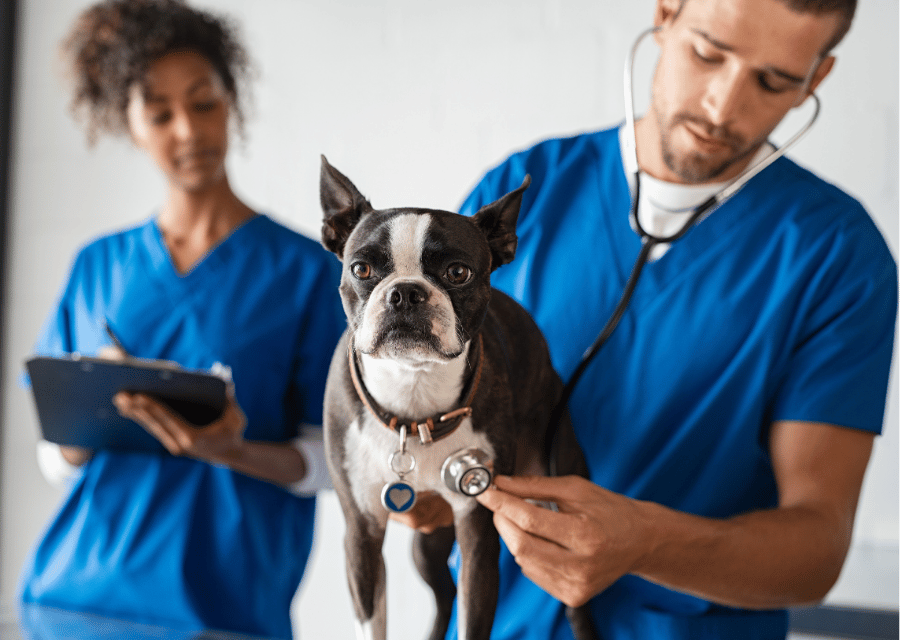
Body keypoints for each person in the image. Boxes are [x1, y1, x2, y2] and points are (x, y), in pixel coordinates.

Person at [409, 0, 897, 639]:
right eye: (708, 53)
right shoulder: (524, 193)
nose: (723, 106)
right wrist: (419, 487)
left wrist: (647, 544)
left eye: (774, 82)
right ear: (666, 13)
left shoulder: (837, 254)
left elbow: (816, 548)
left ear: (817, 79)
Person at [17, 1, 345, 638]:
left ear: (232, 101)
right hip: (71, 603)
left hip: (220, 612)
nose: (188, 132)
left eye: (203, 102)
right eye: (159, 113)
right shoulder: (99, 266)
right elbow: (59, 459)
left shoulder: (306, 273)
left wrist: (232, 451)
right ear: (130, 124)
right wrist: (96, 407)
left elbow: (333, 461)